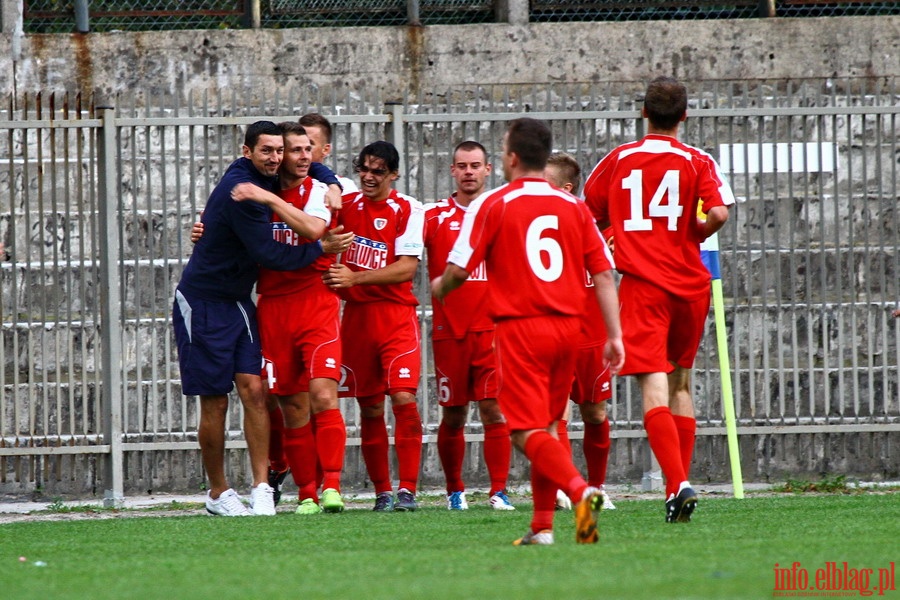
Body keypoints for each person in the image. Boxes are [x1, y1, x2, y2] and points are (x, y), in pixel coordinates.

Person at [432, 118, 625, 545]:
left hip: (522, 330)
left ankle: (579, 492)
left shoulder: (494, 203)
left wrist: (440, 286)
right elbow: (604, 274)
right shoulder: (574, 207)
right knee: (549, 428)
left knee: (522, 429)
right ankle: (542, 527)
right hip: (570, 331)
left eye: (501, 152)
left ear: (512, 158)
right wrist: (614, 335)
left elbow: (460, 270)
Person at [172, 120, 351, 517]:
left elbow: (314, 167)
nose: (275, 158)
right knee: (216, 401)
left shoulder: (270, 181)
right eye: (266, 151)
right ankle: (218, 493)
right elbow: (272, 256)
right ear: (246, 151)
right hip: (203, 300)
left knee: (255, 391)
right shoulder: (244, 190)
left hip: (239, 301)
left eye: (279, 150)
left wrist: (330, 180)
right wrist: (320, 249)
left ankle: (261, 488)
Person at [582, 76, 734, 523]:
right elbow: (721, 212)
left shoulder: (619, 159)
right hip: (691, 284)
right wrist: (697, 231)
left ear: (643, 112)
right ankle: (677, 486)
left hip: (644, 285)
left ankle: (676, 484)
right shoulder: (696, 160)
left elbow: (589, 214)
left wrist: (614, 238)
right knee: (681, 383)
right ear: (685, 115)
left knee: (653, 383)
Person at [228, 122, 352, 515]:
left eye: (306, 149)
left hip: (316, 303)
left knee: (322, 394)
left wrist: (271, 201)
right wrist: (203, 230)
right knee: (292, 405)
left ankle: (332, 485)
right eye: (292, 150)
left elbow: (313, 228)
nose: (300, 156)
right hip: (274, 308)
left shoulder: (319, 190)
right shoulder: (252, 185)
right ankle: (308, 493)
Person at [323, 141, 426, 512]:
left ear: (393, 174)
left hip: (396, 317)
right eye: (363, 168)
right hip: (357, 321)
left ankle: (408, 490)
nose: (367, 176)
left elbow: (407, 268)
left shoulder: (409, 208)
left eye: (377, 171)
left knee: (403, 397)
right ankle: (382, 492)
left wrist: (355, 279)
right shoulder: (346, 206)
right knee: (368, 407)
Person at [423, 141, 515, 511]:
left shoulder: (502, 212)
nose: (469, 172)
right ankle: (454, 491)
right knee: (454, 414)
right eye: (462, 166)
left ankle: (499, 490)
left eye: (475, 165)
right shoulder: (433, 217)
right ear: (452, 171)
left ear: (488, 170)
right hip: (449, 332)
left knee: (494, 410)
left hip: (492, 333)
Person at [543, 152, 617, 512]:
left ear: (567, 188)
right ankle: (566, 487)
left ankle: (598, 487)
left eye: (546, 180)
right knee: (556, 416)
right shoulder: (535, 221)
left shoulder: (589, 223)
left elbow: (606, 274)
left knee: (595, 414)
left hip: (590, 334)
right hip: (554, 332)